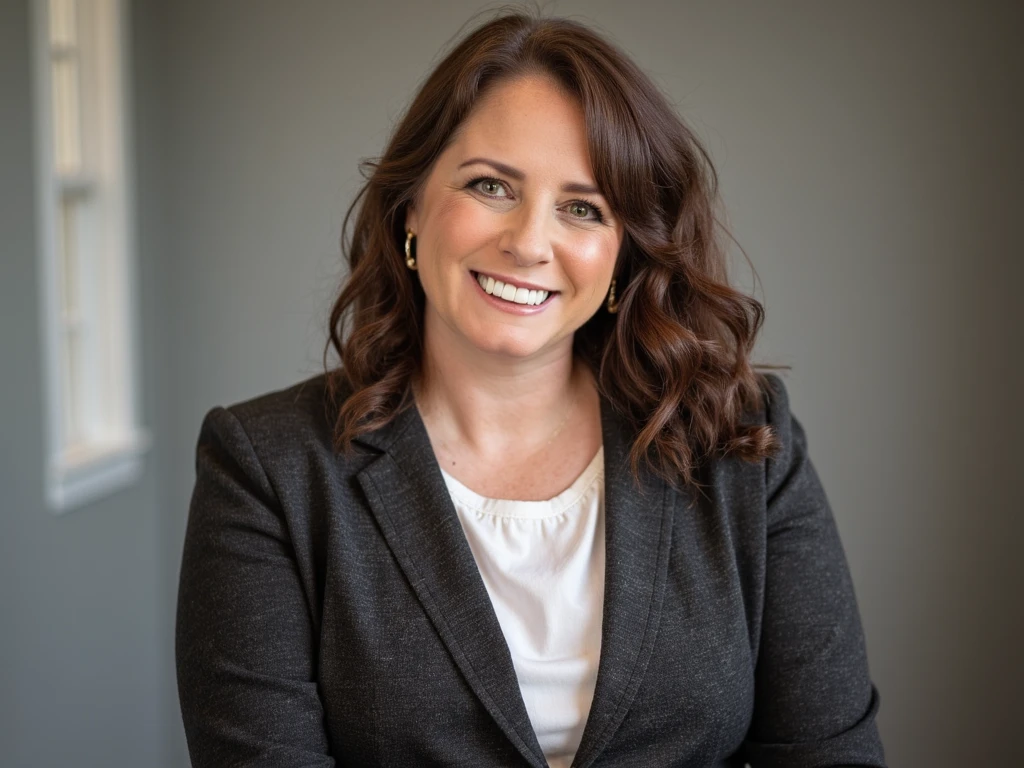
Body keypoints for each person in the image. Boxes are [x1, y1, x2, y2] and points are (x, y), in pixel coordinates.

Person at [175, 11, 885, 768]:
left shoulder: (742, 444)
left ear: (623, 253)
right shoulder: (265, 468)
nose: (527, 242)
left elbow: (829, 754)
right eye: (490, 185)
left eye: (582, 208)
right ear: (411, 207)